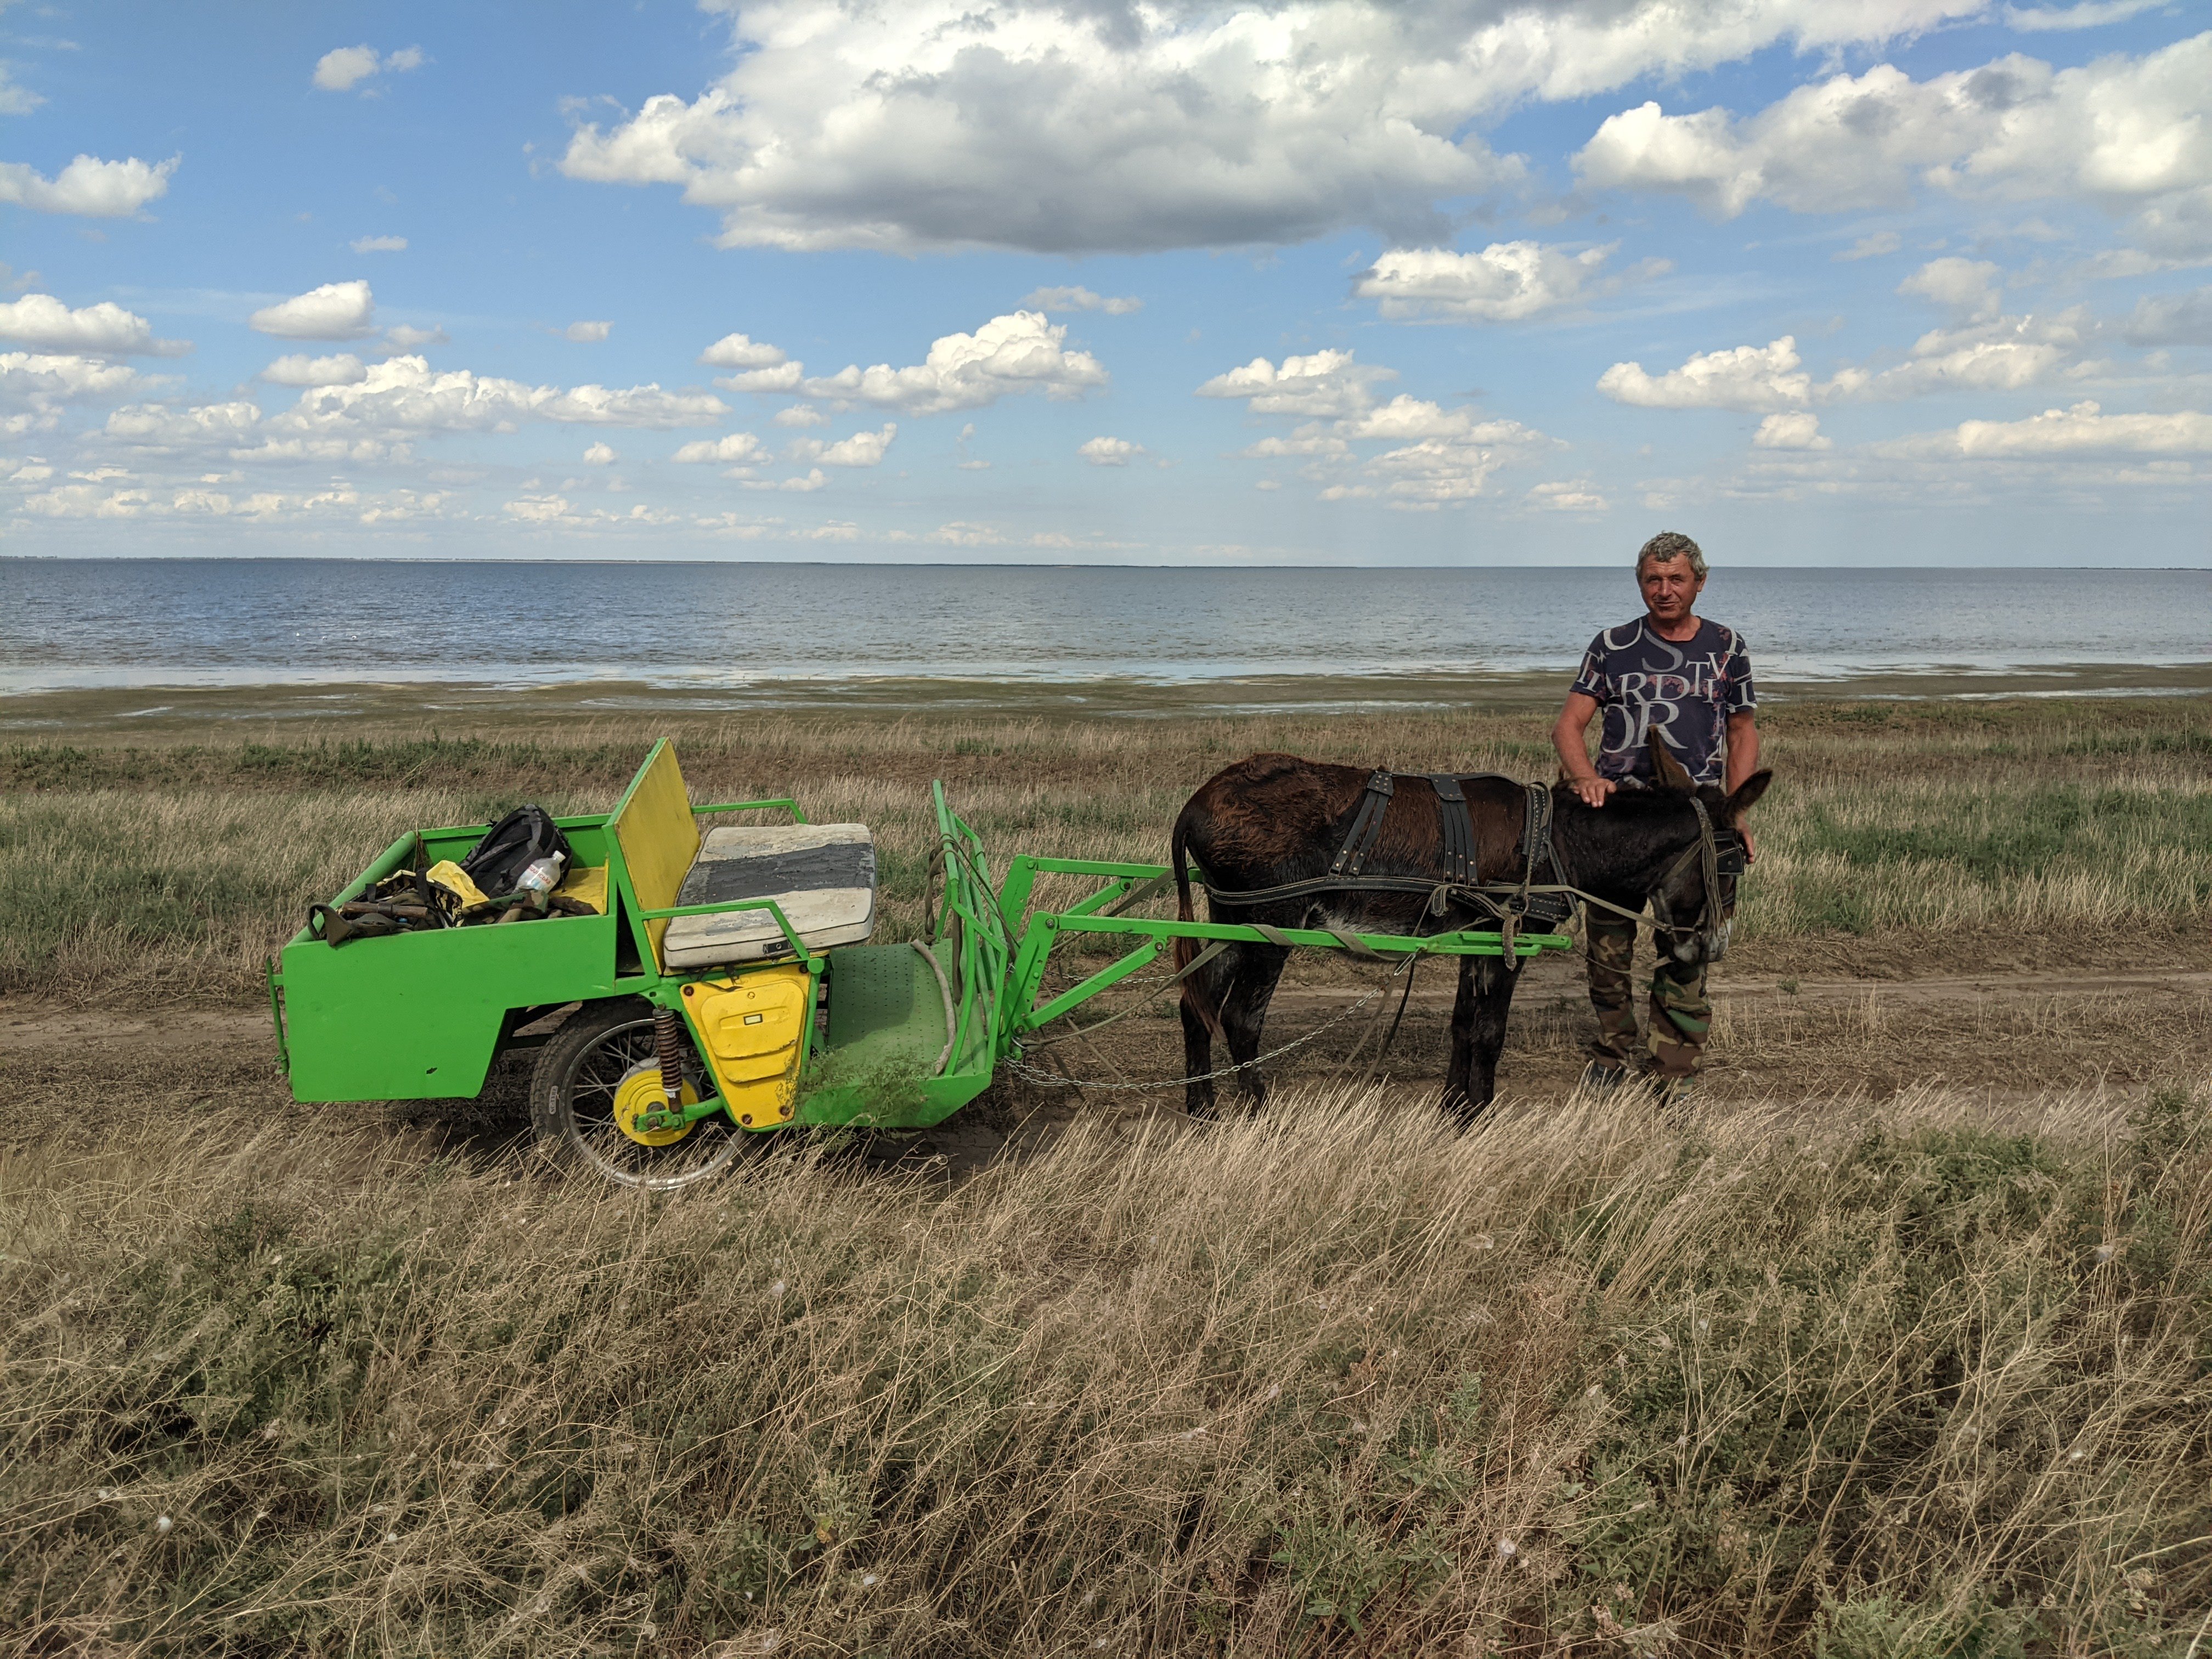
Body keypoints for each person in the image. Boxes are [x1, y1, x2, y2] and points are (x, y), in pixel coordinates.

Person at [1550, 531, 1758, 1099]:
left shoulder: (1726, 646)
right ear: (1640, 583)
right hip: (1619, 824)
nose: (1664, 591)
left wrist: (1736, 813)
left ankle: (1674, 1071)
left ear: (1699, 582)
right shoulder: (1612, 645)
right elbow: (1569, 726)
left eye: (1676, 579)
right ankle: (1613, 1054)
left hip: (1692, 827)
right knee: (1609, 950)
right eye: (1653, 580)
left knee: (1689, 946)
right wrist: (1583, 777)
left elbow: (1742, 732)